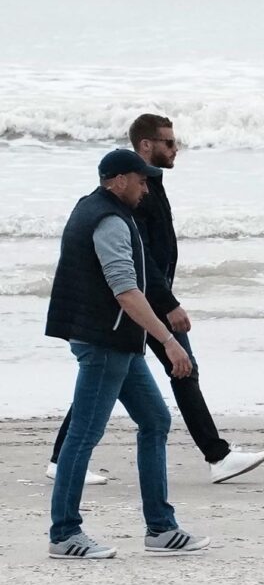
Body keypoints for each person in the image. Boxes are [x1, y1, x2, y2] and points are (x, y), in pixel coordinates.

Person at [50, 115, 264, 488]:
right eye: (168, 142)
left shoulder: (148, 183)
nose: (175, 147)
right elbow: (137, 258)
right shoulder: (129, 190)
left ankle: (60, 458)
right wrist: (167, 303)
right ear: (146, 146)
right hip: (142, 302)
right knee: (168, 370)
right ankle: (218, 456)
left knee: (108, 380)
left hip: (146, 298)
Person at [44, 148, 211, 560]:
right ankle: (64, 534)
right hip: (106, 344)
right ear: (117, 180)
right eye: (140, 181)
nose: (145, 189)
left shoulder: (91, 207)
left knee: (155, 420)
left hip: (111, 341)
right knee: (83, 435)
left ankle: (160, 528)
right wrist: (168, 340)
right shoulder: (109, 221)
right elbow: (125, 289)